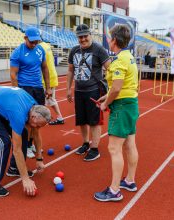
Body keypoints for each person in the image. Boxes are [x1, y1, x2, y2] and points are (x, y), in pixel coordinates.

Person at [0, 86, 51, 197]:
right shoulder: (19, 115)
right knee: (3, 142)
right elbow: (17, 149)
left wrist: (39, 158)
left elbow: (35, 133)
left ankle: (14, 168)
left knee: (24, 133)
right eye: (38, 124)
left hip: (4, 104)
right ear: (33, 116)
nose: (36, 127)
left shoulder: (35, 107)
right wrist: (25, 179)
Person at [94, 24, 139, 202]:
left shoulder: (119, 60)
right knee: (130, 145)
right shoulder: (129, 57)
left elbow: (117, 88)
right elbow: (120, 86)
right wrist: (105, 96)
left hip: (121, 106)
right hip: (131, 104)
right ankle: (129, 180)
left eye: (109, 37)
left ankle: (114, 191)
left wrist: (105, 103)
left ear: (114, 40)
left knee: (114, 148)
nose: (108, 39)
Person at [66, 24, 111, 161]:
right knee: (82, 120)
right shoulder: (74, 51)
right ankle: (86, 143)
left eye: (85, 36)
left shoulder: (99, 49)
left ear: (90, 35)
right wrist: (68, 89)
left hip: (94, 91)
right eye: (80, 37)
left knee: (94, 121)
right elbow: (70, 70)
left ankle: (95, 148)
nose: (83, 39)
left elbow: (110, 69)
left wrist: (110, 89)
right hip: (79, 90)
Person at [10, 26, 52, 159]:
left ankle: (32, 143)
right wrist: (17, 93)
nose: (34, 44)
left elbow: (45, 68)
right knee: (28, 121)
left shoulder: (40, 50)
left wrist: (48, 87)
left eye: (36, 41)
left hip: (38, 88)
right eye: (32, 41)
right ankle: (26, 145)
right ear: (25, 38)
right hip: (24, 89)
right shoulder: (18, 52)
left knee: (38, 119)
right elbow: (13, 75)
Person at [39, 40, 64, 125]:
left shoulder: (39, 47)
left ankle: (46, 117)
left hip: (46, 77)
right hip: (51, 74)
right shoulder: (46, 45)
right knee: (49, 99)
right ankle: (58, 117)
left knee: (47, 99)